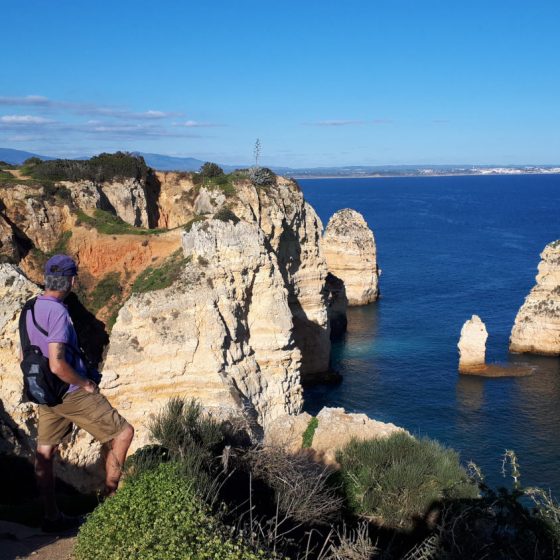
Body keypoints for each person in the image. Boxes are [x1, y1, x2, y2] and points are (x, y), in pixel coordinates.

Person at [22, 254, 134, 532]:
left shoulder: (30, 307)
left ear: (47, 278)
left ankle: (51, 516)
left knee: (45, 452)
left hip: (44, 390)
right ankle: (110, 509)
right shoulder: (58, 312)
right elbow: (58, 363)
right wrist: (84, 383)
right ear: (71, 280)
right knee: (123, 433)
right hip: (70, 390)